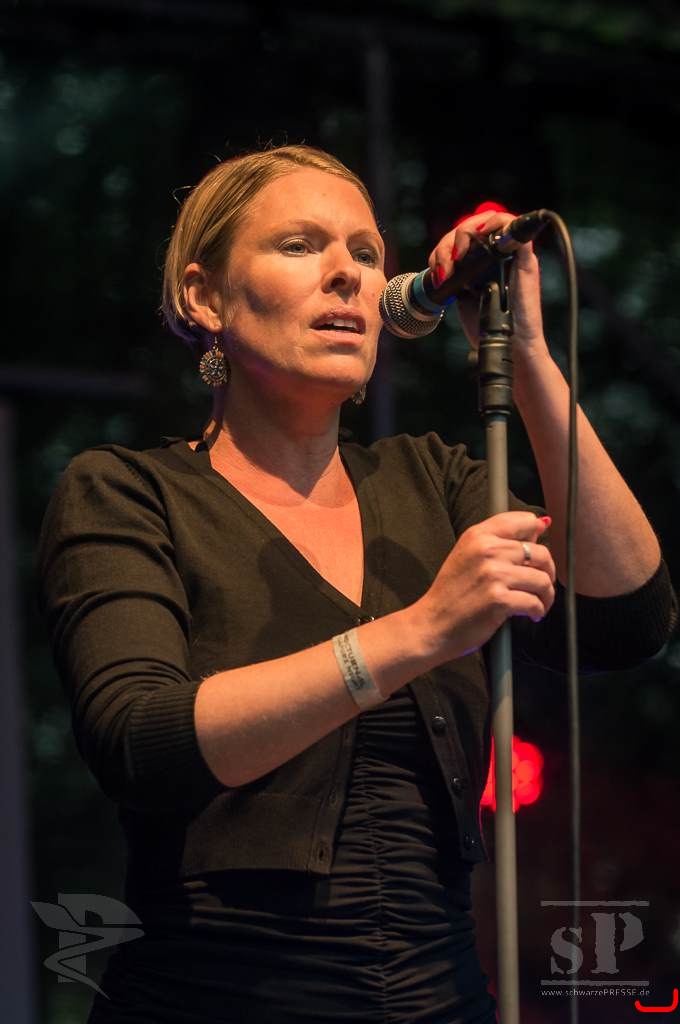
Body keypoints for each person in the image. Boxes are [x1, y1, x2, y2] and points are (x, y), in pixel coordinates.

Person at [38, 144, 676, 1024]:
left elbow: (626, 618)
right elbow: (143, 742)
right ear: (205, 297)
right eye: (300, 245)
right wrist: (419, 632)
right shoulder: (127, 493)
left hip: (439, 998)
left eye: (367, 253)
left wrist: (526, 355)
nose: (346, 273)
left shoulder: (432, 483)